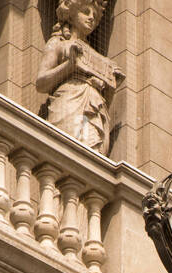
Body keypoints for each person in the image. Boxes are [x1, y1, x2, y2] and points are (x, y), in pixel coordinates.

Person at [36, 0, 123, 156]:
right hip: (69, 104)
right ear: (71, 14)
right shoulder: (57, 43)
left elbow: (107, 103)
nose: (91, 18)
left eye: (95, 16)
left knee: (92, 155)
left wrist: (112, 86)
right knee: (70, 152)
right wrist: (68, 67)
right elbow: (41, 83)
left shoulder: (96, 56)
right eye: (85, 12)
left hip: (94, 109)